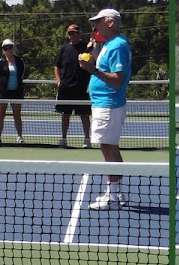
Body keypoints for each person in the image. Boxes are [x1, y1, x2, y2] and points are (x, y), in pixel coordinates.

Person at [78, 9, 132, 211]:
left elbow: (117, 80)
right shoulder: (110, 45)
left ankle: (111, 196)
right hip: (104, 103)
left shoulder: (118, 45)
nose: (95, 26)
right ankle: (116, 192)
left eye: (98, 22)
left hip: (108, 104)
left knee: (107, 148)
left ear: (110, 23)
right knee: (111, 148)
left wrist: (92, 69)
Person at [54, 24, 93, 149]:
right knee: (65, 114)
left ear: (79, 34)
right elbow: (57, 66)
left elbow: (93, 62)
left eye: (75, 33)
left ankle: (87, 139)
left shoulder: (86, 48)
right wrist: (59, 81)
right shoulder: (64, 48)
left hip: (81, 87)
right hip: (66, 87)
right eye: (70, 33)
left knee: (84, 114)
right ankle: (64, 139)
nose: (73, 35)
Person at [0, 39, 26, 145]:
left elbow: (22, 75)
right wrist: (3, 87)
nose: (8, 50)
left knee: (17, 115)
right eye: (5, 48)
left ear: (13, 48)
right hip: (3, 93)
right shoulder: (0, 62)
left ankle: (20, 137)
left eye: (10, 47)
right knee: (0, 115)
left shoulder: (19, 61)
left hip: (16, 93)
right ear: (3, 50)